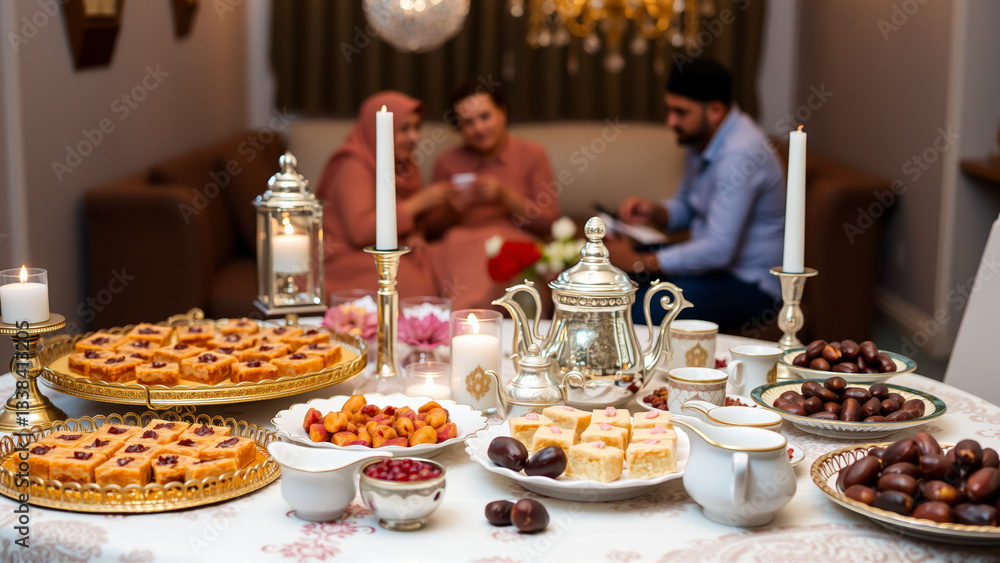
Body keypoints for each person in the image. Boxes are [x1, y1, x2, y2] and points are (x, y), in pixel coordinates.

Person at [604, 58, 785, 332]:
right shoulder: (701, 135)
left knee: (639, 306)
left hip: (748, 282)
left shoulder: (740, 153)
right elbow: (689, 207)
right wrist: (655, 212)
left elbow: (719, 250)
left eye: (680, 112)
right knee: (606, 273)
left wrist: (641, 263)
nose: (671, 121)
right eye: (669, 110)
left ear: (715, 110)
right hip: (712, 268)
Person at [429, 81, 560, 309]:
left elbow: (549, 222)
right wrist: (452, 211)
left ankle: (465, 315)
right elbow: (429, 230)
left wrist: (505, 197)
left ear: (502, 113)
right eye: (468, 122)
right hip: (458, 246)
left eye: (485, 116)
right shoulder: (446, 162)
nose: (479, 129)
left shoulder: (532, 154)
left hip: (512, 242)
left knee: (501, 253)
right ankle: (467, 316)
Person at [315, 91, 452, 299]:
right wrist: (419, 202)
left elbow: (413, 223)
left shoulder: (405, 164)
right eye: (404, 129)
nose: (415, 137)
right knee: (408, 284)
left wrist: (415, 235)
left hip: (392, 250)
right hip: (347, 256)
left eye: (416, 127)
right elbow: (360, 232)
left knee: (444, 262)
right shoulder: (353, 165)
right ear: (375, 131)